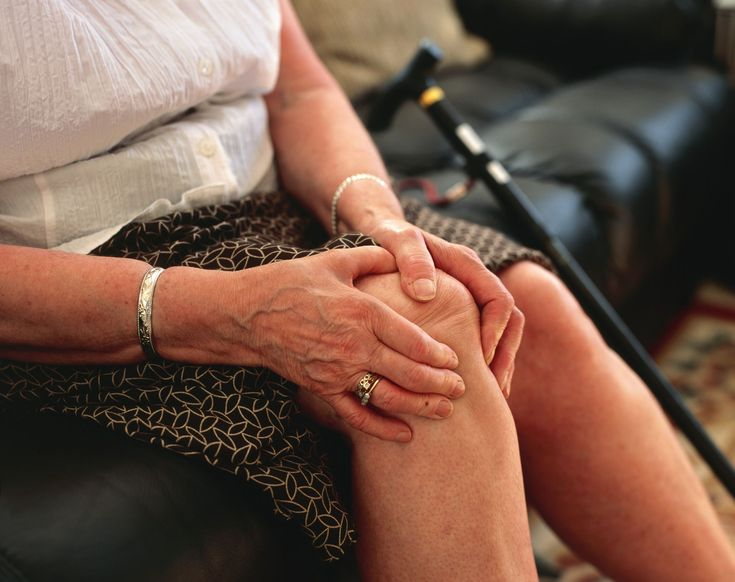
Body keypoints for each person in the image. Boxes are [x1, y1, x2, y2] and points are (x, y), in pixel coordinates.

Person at [0, 1, 733, 579]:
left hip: (282, 196)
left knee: (521, 304)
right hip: (96, 266)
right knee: (421, 339)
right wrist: (225, 310)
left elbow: (298, 93)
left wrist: (377, 219)